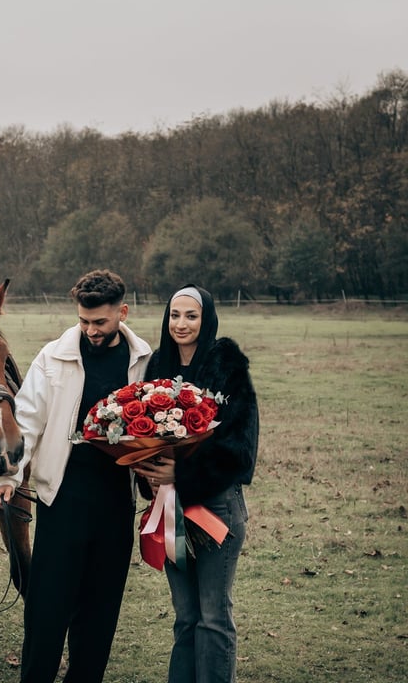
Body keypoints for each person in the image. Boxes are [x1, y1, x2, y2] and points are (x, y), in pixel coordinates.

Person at [0, 269, 152, 683]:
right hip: (62, 498)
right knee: (47, 607)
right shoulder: (53, 357)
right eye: (83, 321)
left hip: (117, 503)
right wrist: (10, 477)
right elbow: (28, 422)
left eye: (100, 322)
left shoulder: (143, 360)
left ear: (122, 313)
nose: (91, 330)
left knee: (100, 609)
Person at [133, 284, 259, 683]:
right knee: (186, 617)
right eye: (175, 315)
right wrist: (150, 472)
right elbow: (141, 431)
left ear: (207, 319)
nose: (181, 324)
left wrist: (182, 475)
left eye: (191, 316)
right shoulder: (158, 365)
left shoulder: (226, 366)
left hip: (216, 506)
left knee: (212, 616)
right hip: (169, 506)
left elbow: (241, 450)